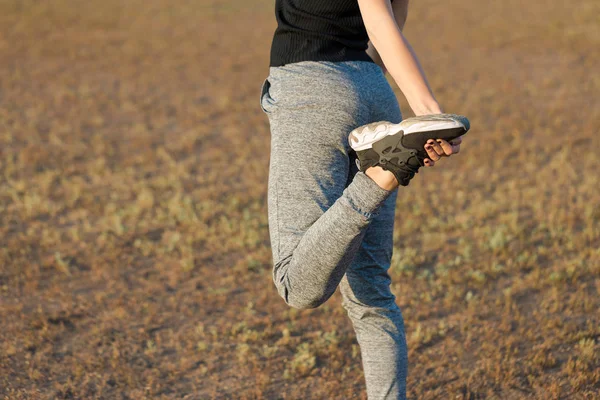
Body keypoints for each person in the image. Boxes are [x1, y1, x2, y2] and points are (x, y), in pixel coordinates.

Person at [259, 0, 468, 398]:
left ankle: (380, 176)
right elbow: (391, 16)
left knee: (296, 286)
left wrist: (427, 112)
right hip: (372, 88)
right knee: (370, 290)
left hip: (311, 87)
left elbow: (374, 12)